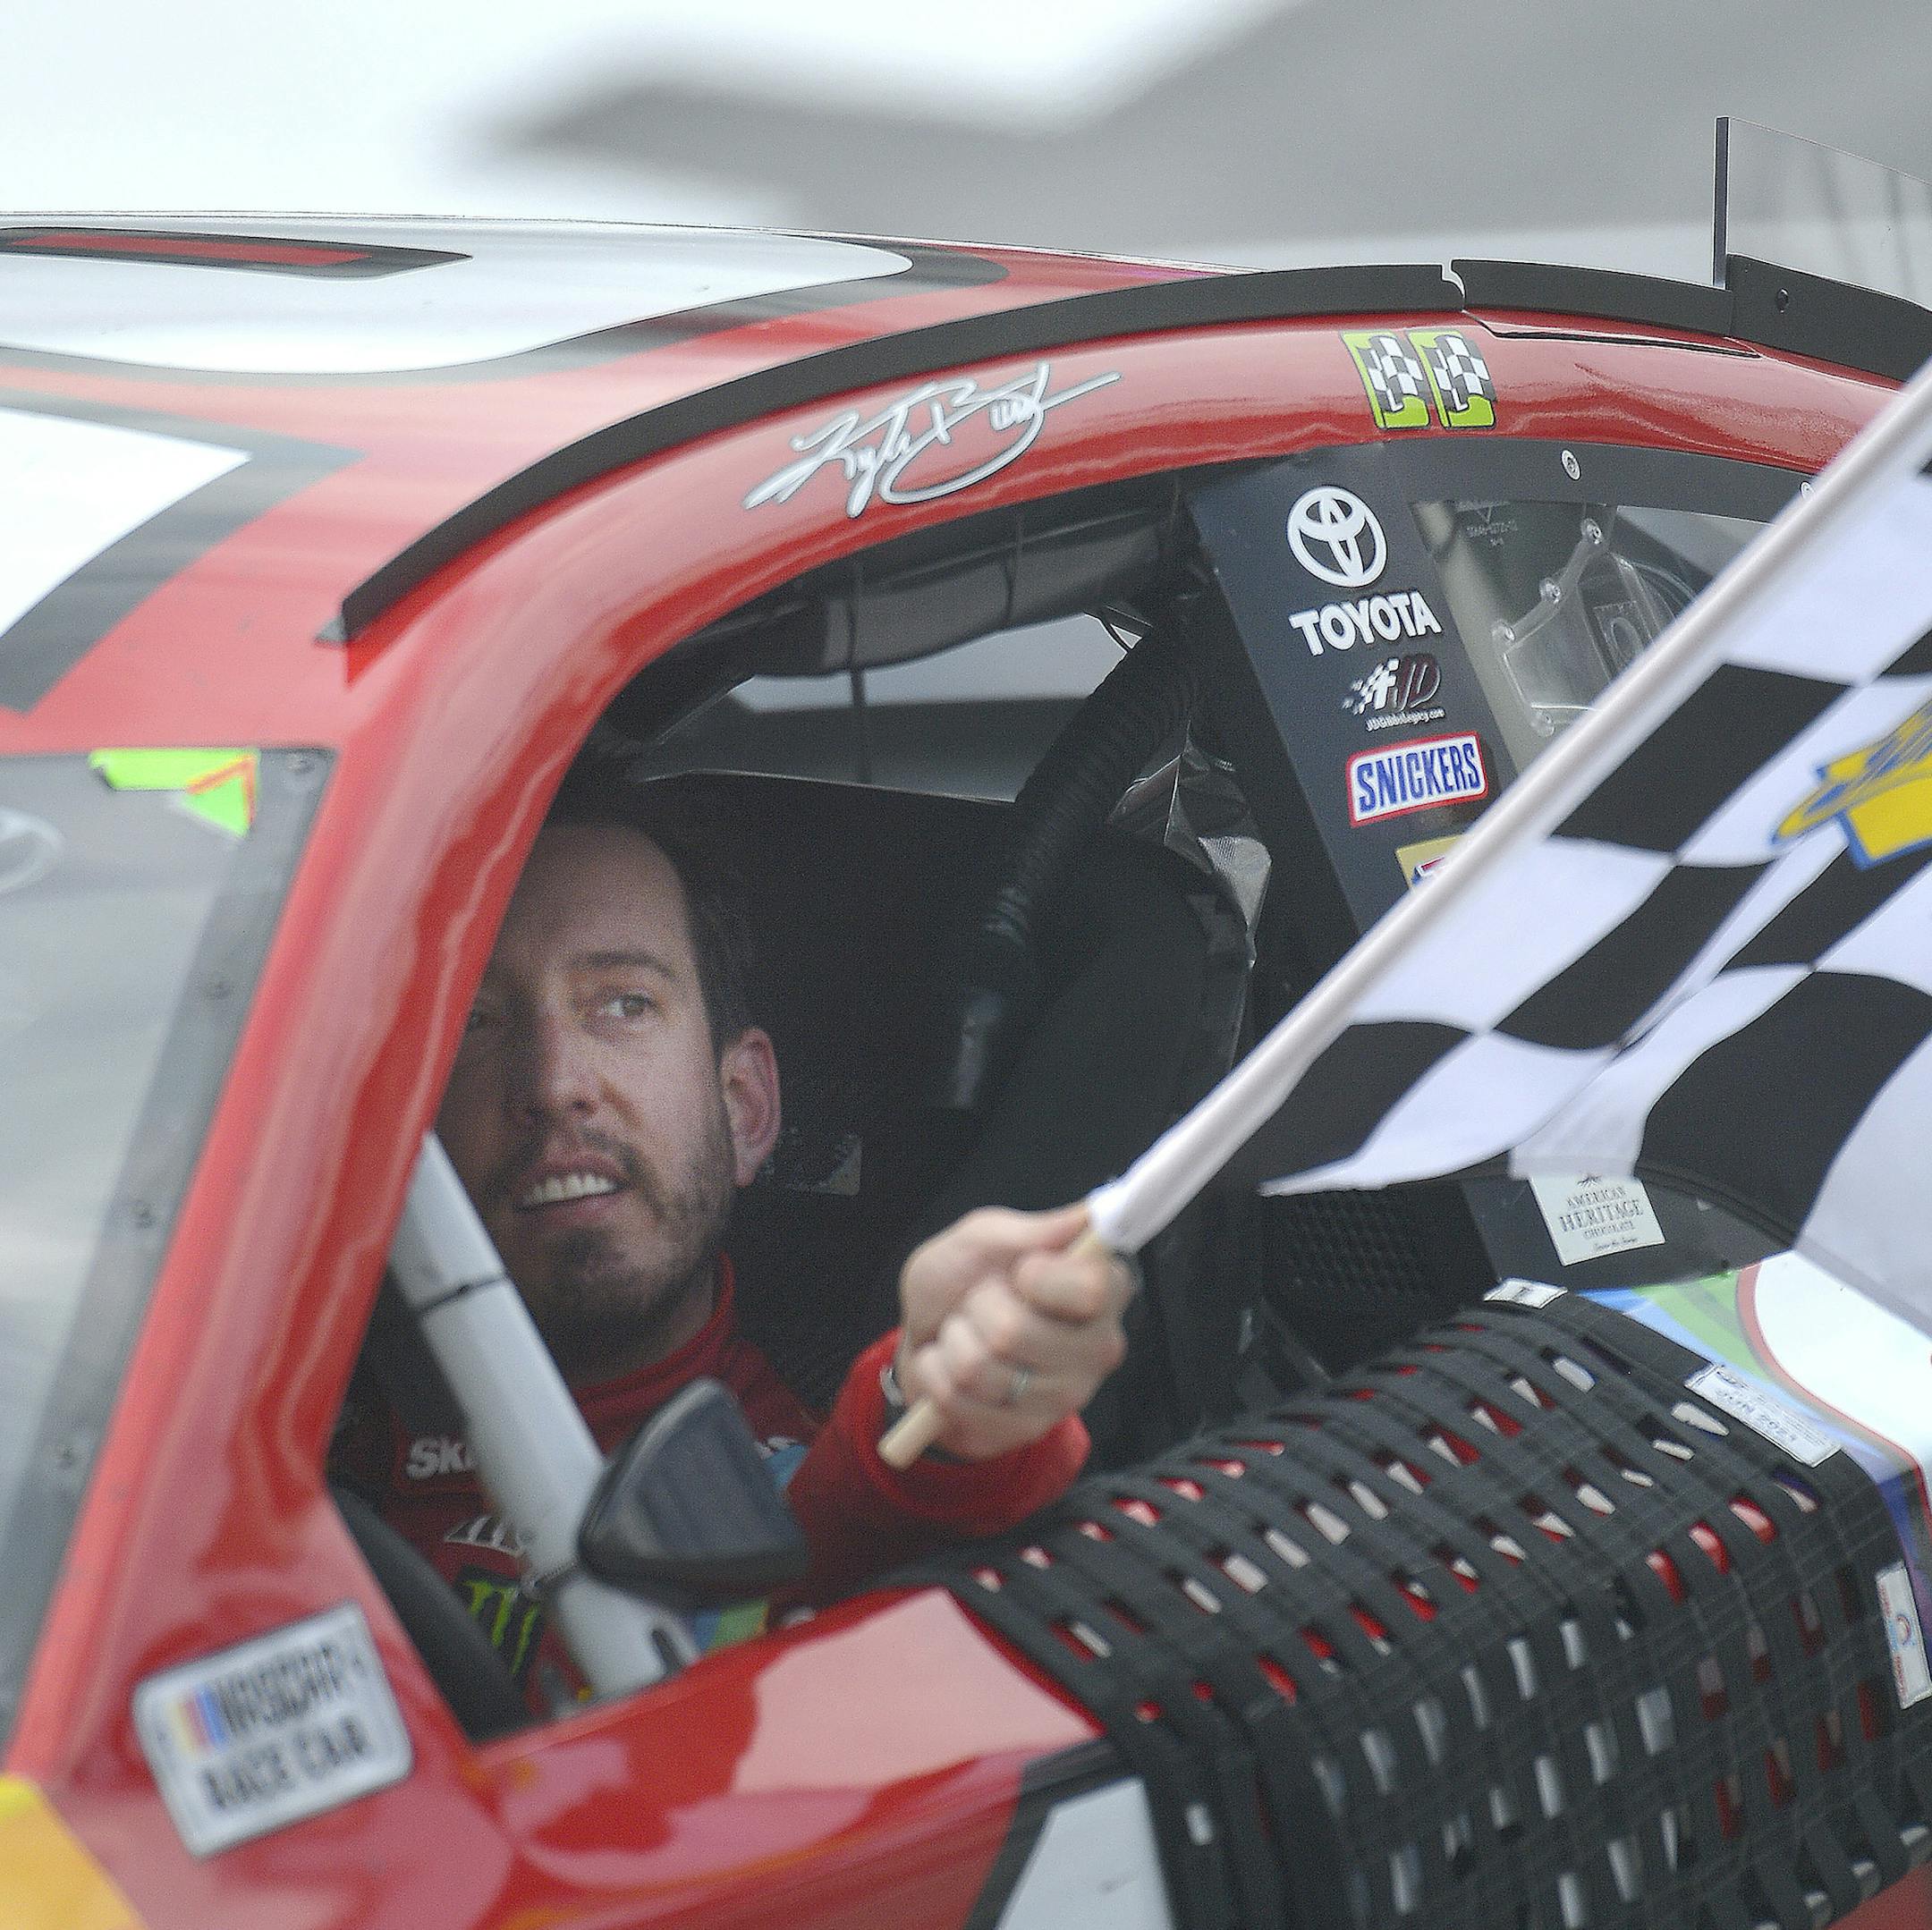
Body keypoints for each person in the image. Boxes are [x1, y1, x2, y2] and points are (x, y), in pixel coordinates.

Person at [335, 768, 1131, 1686]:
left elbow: (879, 1504)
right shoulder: (260, 1422)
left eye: (623, 1002)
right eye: (475, 1020)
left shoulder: (814, 1488)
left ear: (745, 1107)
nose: (553, 1083)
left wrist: (964, 1392)